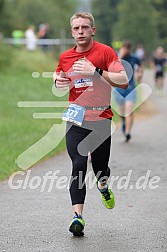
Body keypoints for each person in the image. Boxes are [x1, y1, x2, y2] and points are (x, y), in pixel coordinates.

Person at [53, 12, 128, 236]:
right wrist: (58, 81)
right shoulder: (66, 57)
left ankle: (103, 185)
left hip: (101, 119)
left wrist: (94, 71)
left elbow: (123, 81)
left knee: (100, 168)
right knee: (78, 164)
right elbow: (58, 80)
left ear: (92, 30)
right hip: (77, 118)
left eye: (85, 27)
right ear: (71, 32)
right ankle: (78, 217)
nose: (80, 32)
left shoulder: (105, 52)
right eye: (76, 28)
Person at [113, 41, 143, 142]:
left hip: (130, 88)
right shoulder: (116, 56)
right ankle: (124, 123)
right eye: (124, 48)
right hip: (118, 89)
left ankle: (127, 133)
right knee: (122, 113)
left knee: (129, 110)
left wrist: (139, 74)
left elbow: (140, 66)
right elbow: (113, 67)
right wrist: (120, 56)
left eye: (127, 48)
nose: (126, 50)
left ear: (130, 49)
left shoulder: (134, 58)